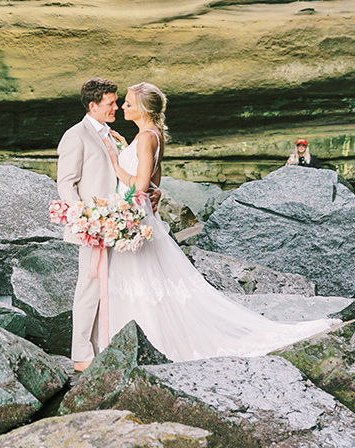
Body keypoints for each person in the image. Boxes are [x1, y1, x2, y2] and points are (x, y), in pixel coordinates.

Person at [101, 82, 338, 362]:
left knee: (141, 281)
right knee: (152, 282)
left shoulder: (145, 138)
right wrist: (132, 157)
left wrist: (117, 166)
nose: (123, 107)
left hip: (137, 217)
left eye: (128, 102)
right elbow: (155, 178)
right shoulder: (151, 135)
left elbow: (141, 185)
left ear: (142, 108)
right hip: (141, 216)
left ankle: (147, 342)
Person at [56, 78, 124, 372]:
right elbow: (66, 183)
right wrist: (85, 220)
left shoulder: (110, 134)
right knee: (88, 287)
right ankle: (81, 354)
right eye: (111, 103)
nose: (117, 107)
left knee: (106, 287)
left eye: (117, 102)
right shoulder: (76, 135)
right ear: (93, 106)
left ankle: (100, 345)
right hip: (92, 227)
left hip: (114, 224)